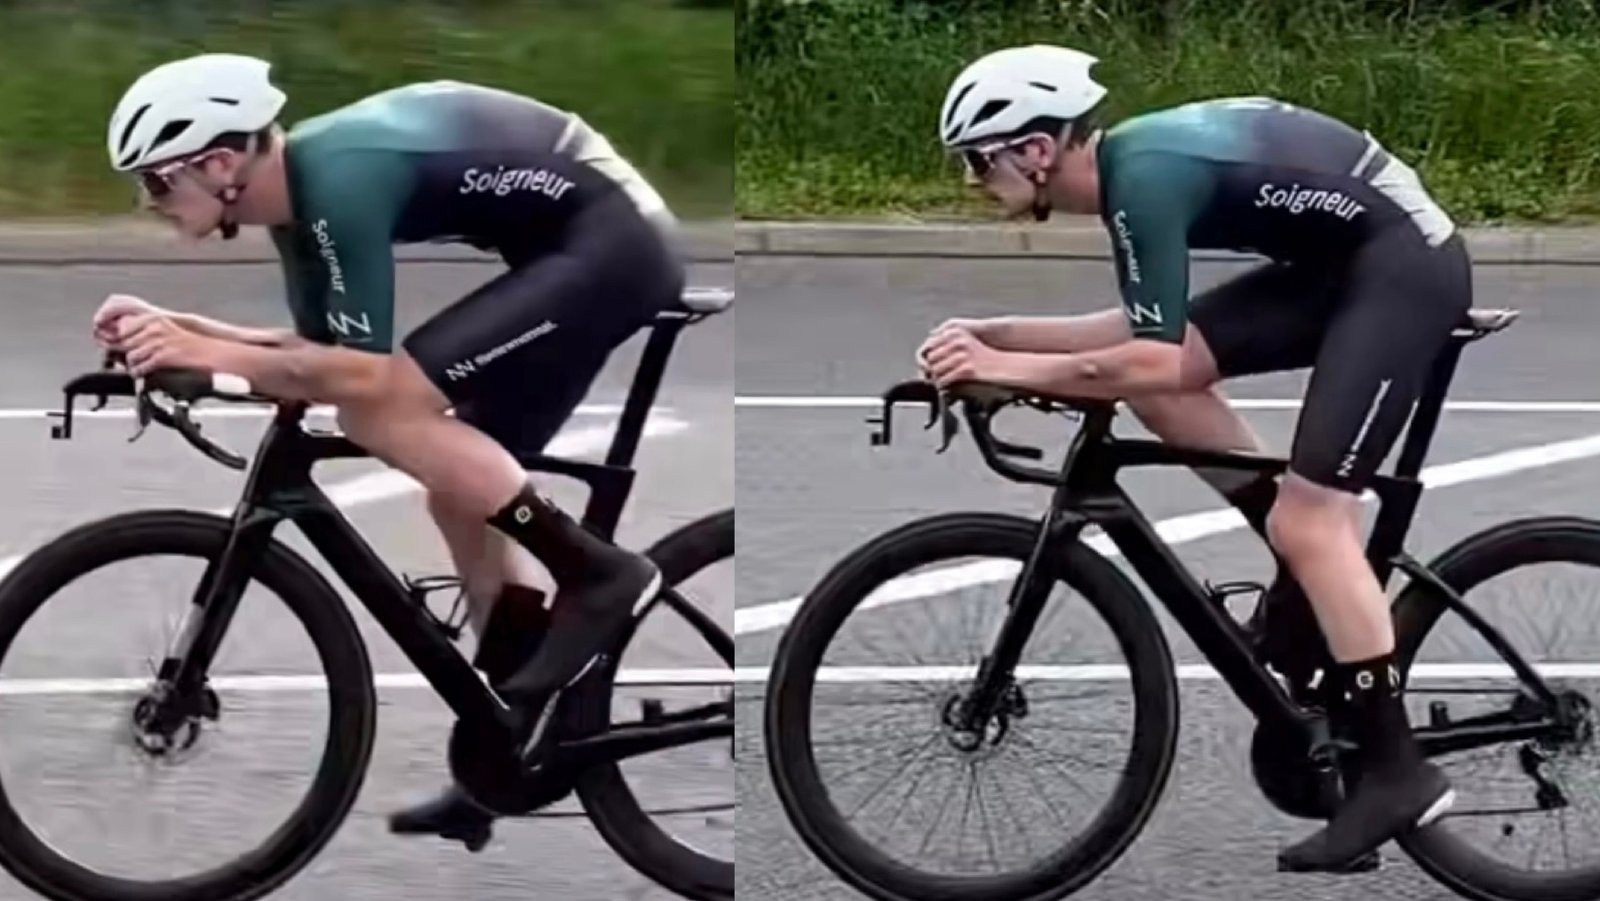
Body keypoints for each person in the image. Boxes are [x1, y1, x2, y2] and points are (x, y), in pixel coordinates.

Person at [95, 53, 688, 851]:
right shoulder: (295, 204)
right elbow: (312, 355)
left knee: (387, 411)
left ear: (219, 162)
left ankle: (599, 572)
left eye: (158, 181)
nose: (149, 202)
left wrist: (209, 352)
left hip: (613, 243)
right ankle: (510, 743)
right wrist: (183, 333)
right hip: (572, 250)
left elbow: (363, 376)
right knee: (454, 478)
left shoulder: (339, 179)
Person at [921, 44, 1468, 872]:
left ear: (1035, 149)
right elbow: (1143, 338)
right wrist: (995, 336)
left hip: (1401, 270)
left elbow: (1149, 354)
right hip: (1337, 268)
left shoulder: (1144, 180)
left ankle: (1397, 772)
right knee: (1165, 395)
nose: (970, 178)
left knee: (1311, 514)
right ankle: (1302, 582)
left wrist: (1007, 368)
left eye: (977, 158)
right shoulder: (1135, 174)